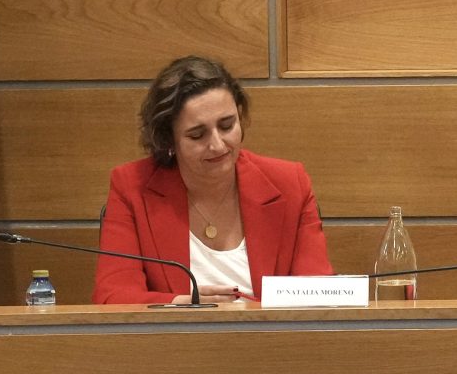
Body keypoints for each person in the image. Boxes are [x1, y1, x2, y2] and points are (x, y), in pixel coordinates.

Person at [95, 56, 331, 303]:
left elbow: (318, 295)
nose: (217, 145)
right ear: (169, 141)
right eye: (197, 135)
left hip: (274, 341)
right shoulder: (131, 187)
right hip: (173, 341)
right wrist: (180, 305)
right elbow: (112, 297)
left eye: (227, 125)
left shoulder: (290, 183)